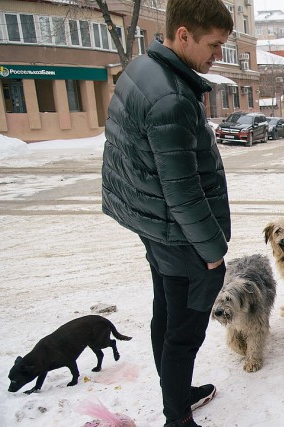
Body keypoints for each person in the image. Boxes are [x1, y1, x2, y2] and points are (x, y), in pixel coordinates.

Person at [101, 1, 233, 426]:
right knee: (185, 332)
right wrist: (213, 252)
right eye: (213, 45)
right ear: (182, 36)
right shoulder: (172, 98)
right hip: (179, 234)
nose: (217, 55)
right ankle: (177, 416)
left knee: (166, 311)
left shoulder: (143, 68)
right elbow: (183, 191)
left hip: (153, 224)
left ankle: (175, 394)